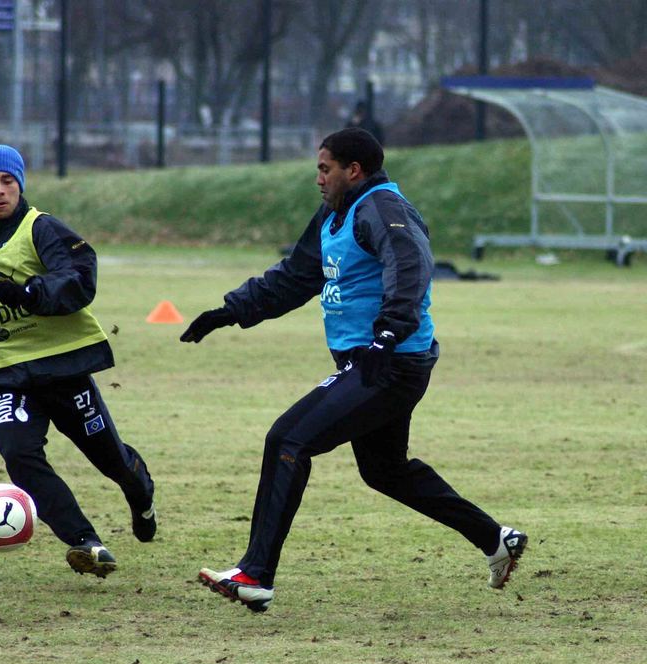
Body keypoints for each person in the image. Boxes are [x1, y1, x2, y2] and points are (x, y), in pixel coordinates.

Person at [180, 128, 526, 612]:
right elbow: (296, 276)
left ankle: (255, 574)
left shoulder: (382, 209)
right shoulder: (334, 215)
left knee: (288, 440)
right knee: (385, 470)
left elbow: (410, 265)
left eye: (325, 169)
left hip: (389, 361)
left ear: (353, 171)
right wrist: (231, 311)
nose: (318, 179)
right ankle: (496, 539)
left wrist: (387, 334)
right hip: (377, 360)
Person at [0, 144, 156, 578]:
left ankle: (142, 495)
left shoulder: (42, 228)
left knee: (113, 462)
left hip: (63, 369)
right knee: (19, 455)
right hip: (4, 375)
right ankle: (85, 542)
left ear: (20, 184)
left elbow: (79, 277)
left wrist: (31, 292)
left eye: (7, 182)